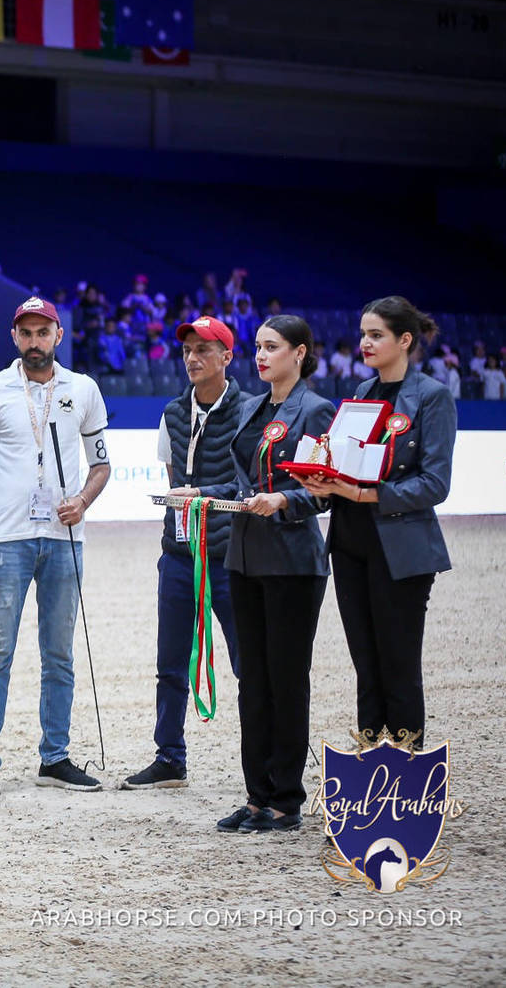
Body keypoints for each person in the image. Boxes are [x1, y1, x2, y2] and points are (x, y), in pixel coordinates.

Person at [173, 316, 335, 832]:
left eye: (273, 347)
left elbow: (324, 488)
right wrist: (202, 493)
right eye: (259, 347)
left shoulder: (314, 410)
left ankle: (286, 797)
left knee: (285, 679)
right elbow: (238, 479)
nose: (261, 356)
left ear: (300, 353)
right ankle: (257, 793)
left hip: (291, 561)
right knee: (253, 681)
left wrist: (286, 498)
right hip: (244, 557)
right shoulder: (253, 409)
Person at [0, 297, 111, 795]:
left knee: (59, 654)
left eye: (42, 332)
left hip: (64, 537)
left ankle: (56, 757)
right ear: (14, 338)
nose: (34, 342)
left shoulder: (84, 389)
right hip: (6, 539)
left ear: (58, 335)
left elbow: (101, 464)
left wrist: (84, 500)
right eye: (25, 333)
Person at [298, 297, 455, 750]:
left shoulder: (432, 397)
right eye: (363, 334)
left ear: (405, 340)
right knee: (366, 666)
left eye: (376, 335)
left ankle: (407, 774)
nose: (365, 343)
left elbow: (435, 483)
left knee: (399, 664)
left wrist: (369, 494)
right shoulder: (362, 394)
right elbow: (350, 463)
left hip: (401, 549)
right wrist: (323, 477)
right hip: (349, 542)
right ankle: (370, 762)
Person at [119, 316, 249, 792]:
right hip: (178, 555)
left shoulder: (249, 412)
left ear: (226, 357)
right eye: (188, 350)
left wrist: (203, 494)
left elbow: (246, 486)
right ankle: (169, 757)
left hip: (232, 557)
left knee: (247, 665)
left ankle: (265, 765)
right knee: (169, 663)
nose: (193, 358)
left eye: (204, 350)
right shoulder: (173, 412)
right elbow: (175, 478)